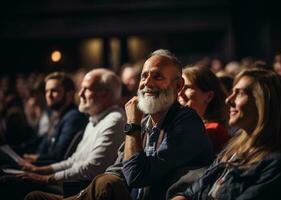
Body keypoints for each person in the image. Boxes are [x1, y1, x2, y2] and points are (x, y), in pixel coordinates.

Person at [25, 49, 214, 200]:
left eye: (157, 77)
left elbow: (137, 176)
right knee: (35, 196)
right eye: (144, 76)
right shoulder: (147, 119)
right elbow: (117, 167)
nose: (146, 83)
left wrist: (132, 124)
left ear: (178, 86)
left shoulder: (186, 122)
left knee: (108, 184)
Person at [171, 68, 281, 200]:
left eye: (240, 93)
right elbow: (192, 193)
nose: (229, 100)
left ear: (265, 104)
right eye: (232, 92)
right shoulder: (232, 149)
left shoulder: (278, 166)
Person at [0, 69, 126, 200]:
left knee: (9, 183)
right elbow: (74, 160)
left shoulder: (114, 120)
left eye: (86, 89)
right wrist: (38, 170)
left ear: (105, 94)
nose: (80, 93)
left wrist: (46, 178)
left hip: (82, 190)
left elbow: (91, 169)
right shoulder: (94, 119)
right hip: (74, 184)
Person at [22, 72, 88, 163]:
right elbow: (42, 144)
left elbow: (58, 156)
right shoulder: (55, 115)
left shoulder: (74, 117)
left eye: (54, 91)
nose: (49, 95)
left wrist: (34, 159)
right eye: (46, 91)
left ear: (70, 94)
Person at [178, 66, 230, 154]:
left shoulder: (215, 131)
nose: (180, 93)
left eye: (188, 88)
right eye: (179, 86)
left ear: (209, 96)